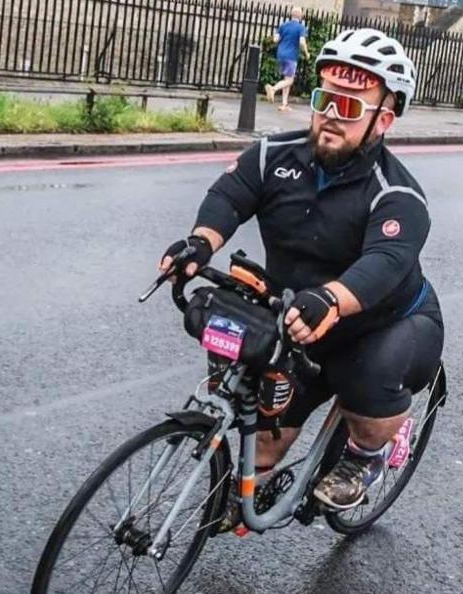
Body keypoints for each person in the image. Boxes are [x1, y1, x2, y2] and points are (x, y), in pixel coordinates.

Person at [158, 28, 443, 521]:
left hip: (384, 327)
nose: (332, 114)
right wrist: (200, 241)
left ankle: (370, 452)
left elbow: (385, 262)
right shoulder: (274, 155)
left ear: (383, 120)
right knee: (259, 454)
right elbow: (230, 195)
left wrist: (331, 299)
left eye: (350, 107)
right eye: (324, 99)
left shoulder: (398, 195)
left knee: (366, 379)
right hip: (298, 320)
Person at [265, 7, 310, 113]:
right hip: (291, 56)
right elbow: (302, 42)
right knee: (290, 80)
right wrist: (307, 53)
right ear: (301, 16)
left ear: (291, 15)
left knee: (286, 80)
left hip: (280, 54)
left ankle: (284, 104)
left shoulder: (283, 25)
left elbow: (275, 39)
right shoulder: (300, 27)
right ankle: (273, 89)